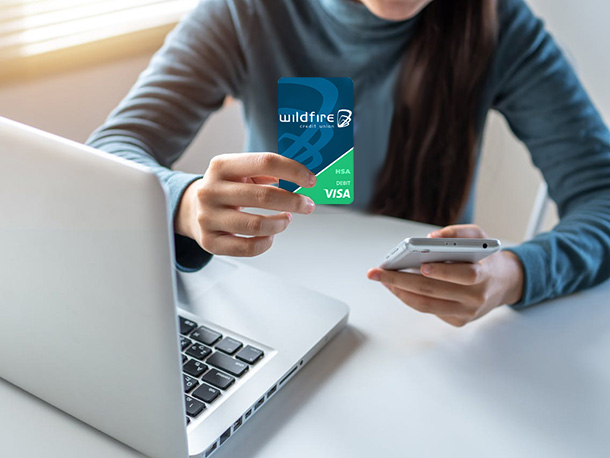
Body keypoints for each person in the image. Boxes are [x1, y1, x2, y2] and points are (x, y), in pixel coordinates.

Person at [87, 0, 610, 327]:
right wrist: (185, 201)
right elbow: (110, 151)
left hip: (425, 334)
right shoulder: (244, 13)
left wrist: (515, 272)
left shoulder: (502, 24)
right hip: (274, 312)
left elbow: (602, 195)